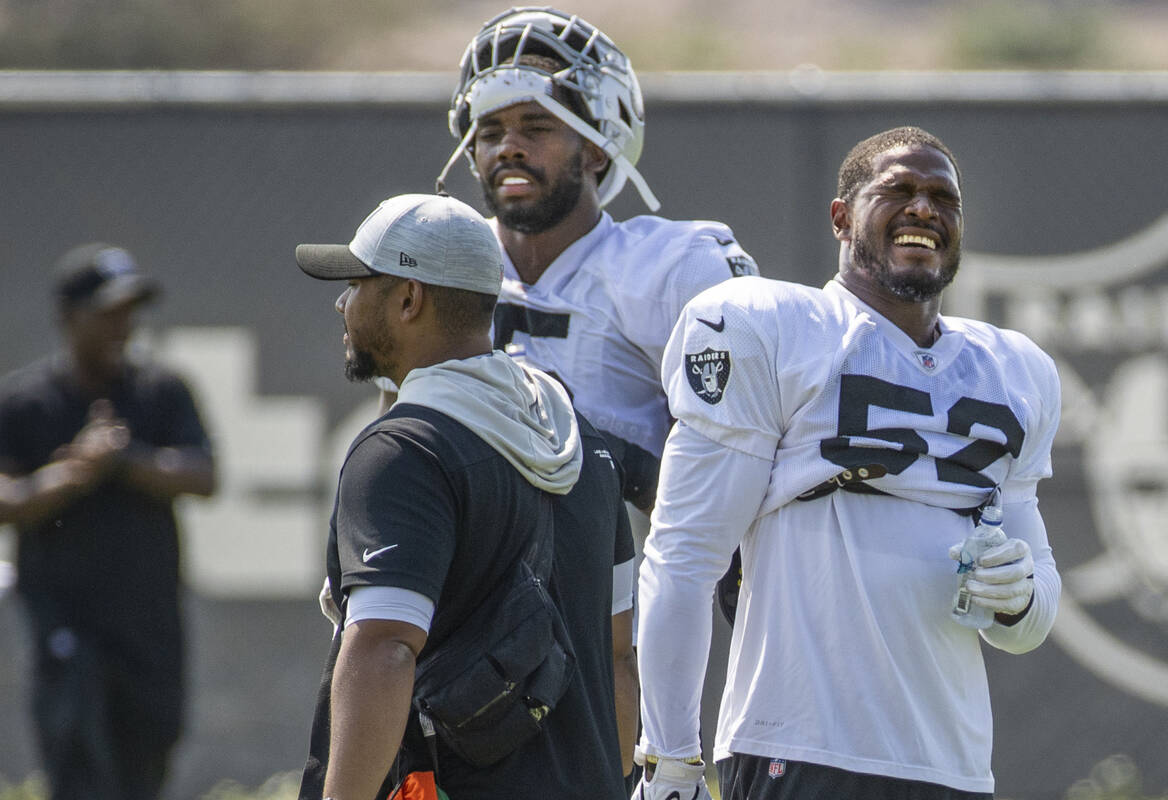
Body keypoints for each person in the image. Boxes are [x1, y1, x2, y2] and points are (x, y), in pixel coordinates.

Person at [632, 127, 1062, 800]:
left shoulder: (1016, 370)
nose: (924, 208)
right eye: (898, 190)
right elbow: (685, 555)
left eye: (942, 197)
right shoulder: (771, 326)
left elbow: (1032, 625)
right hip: (797, 745)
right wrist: (671, 758)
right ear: (841, 217)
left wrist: (1020, 596)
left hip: (952, 764)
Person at [294, 193, 635, 800]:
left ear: (408, 298)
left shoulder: (403, 450)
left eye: (356, 283)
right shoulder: (585, 443)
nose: (341, 302)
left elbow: (384, 649)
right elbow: (618, 660)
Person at [433, 6, 760, 516]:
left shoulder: (674, 268)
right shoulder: (436, 262)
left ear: (597, 149)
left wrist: (604, 459)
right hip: (473, 585)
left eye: (536, 126)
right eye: (491, 132)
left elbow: (726, 486)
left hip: (626, 583)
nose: (509, 149)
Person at [0, 243, 217, 800]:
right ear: (67, 317)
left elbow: (203, 475)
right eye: (106, 312)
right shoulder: (23, 402)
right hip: (66, 626)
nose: (122, 325)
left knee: (146, 768)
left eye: (129, 312)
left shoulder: (159, 392)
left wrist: (125, 461)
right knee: (78, 767)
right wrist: (72, 473)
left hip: (148, 628)